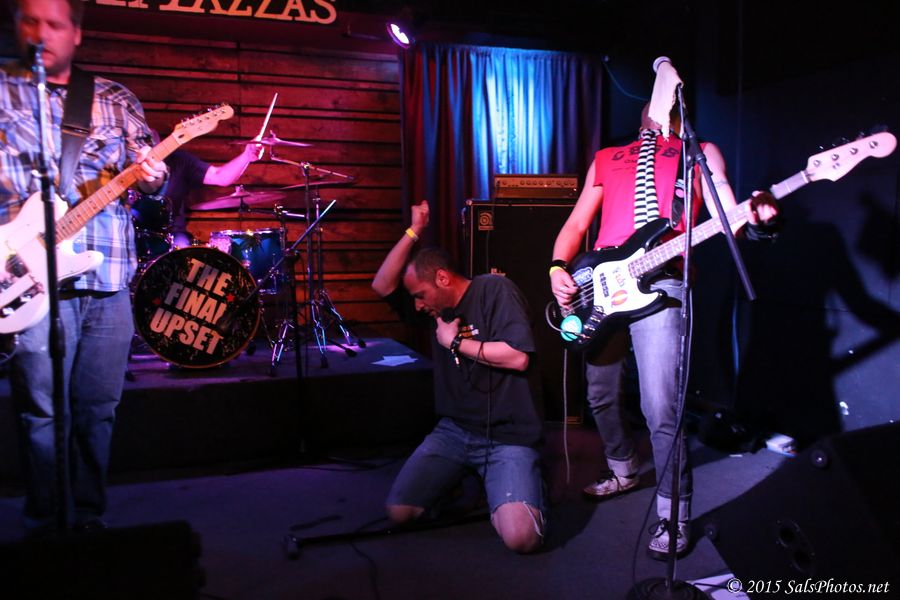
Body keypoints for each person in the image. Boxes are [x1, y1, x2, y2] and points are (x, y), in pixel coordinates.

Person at [549, 103, 778, 558]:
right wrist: (557, 267)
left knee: (660, 405)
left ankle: (674, 515)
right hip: (603, 284)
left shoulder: (698, 152)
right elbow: (576, 223)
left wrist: (755, 222)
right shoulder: (608, 158)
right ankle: (622, 468)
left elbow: (728, 214)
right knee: (601, 393)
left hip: (663, 281)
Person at [0, 0, 168, 535]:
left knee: (98, 408)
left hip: (106, 273)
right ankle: (47, 517)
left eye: (54, 24)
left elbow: (152, 172)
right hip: (25, 275)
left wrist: (153, 175)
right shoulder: (2, 91)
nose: (41, 33)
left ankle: (89, 515)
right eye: (29, 21)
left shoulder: (114, 98)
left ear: (76, 32)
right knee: (42, 411)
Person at [371, 200, 546, 553]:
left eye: (420, 295)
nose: (417, 305)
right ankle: (465, 479)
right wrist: (414, 231)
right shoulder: (436, 309)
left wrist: (456, 343)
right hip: (454, 431)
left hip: (507, 436)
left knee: (521, 539)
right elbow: (381, 285)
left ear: (442, 278)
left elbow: (517, 357)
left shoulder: (493, 290)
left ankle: (518, 487)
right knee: (400, 512)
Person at [132, 133, 264, 250]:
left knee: (182, 258)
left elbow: (220, 176)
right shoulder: (127, 166)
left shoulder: (179, 160)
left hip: (173, 236)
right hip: (131, 234)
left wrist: (247, 156)